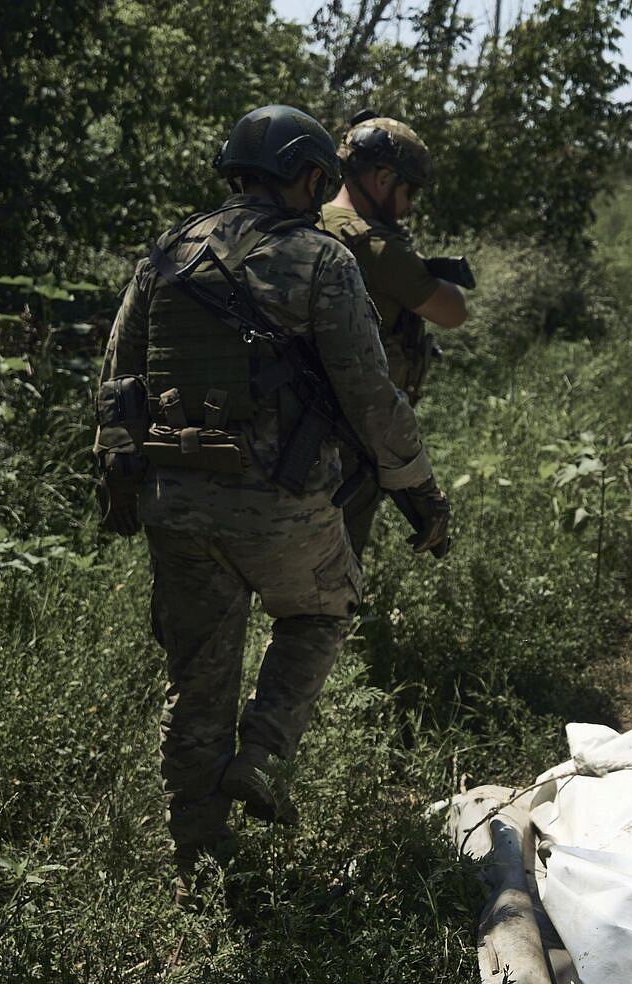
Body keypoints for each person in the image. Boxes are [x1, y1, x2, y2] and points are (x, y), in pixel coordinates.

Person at [93, 105, 450, 904]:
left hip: (175, 500)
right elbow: (371, 394)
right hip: (280, 505)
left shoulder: (167, 254)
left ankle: (198, 862)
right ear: (310, 177)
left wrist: (118, 480)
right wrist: (419, 490)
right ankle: (262, 753)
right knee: (323, 609)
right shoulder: (322, 260)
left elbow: (118, 380)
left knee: (196, 682)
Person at [319, 114, 471, 562]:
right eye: (409, 192)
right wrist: (415, 262)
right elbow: (453, 311)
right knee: (335, 570)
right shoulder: (376, 246)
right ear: (383, 179)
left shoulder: (309, 221)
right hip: (355, 433)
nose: (409, 207)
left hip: (296, 424)